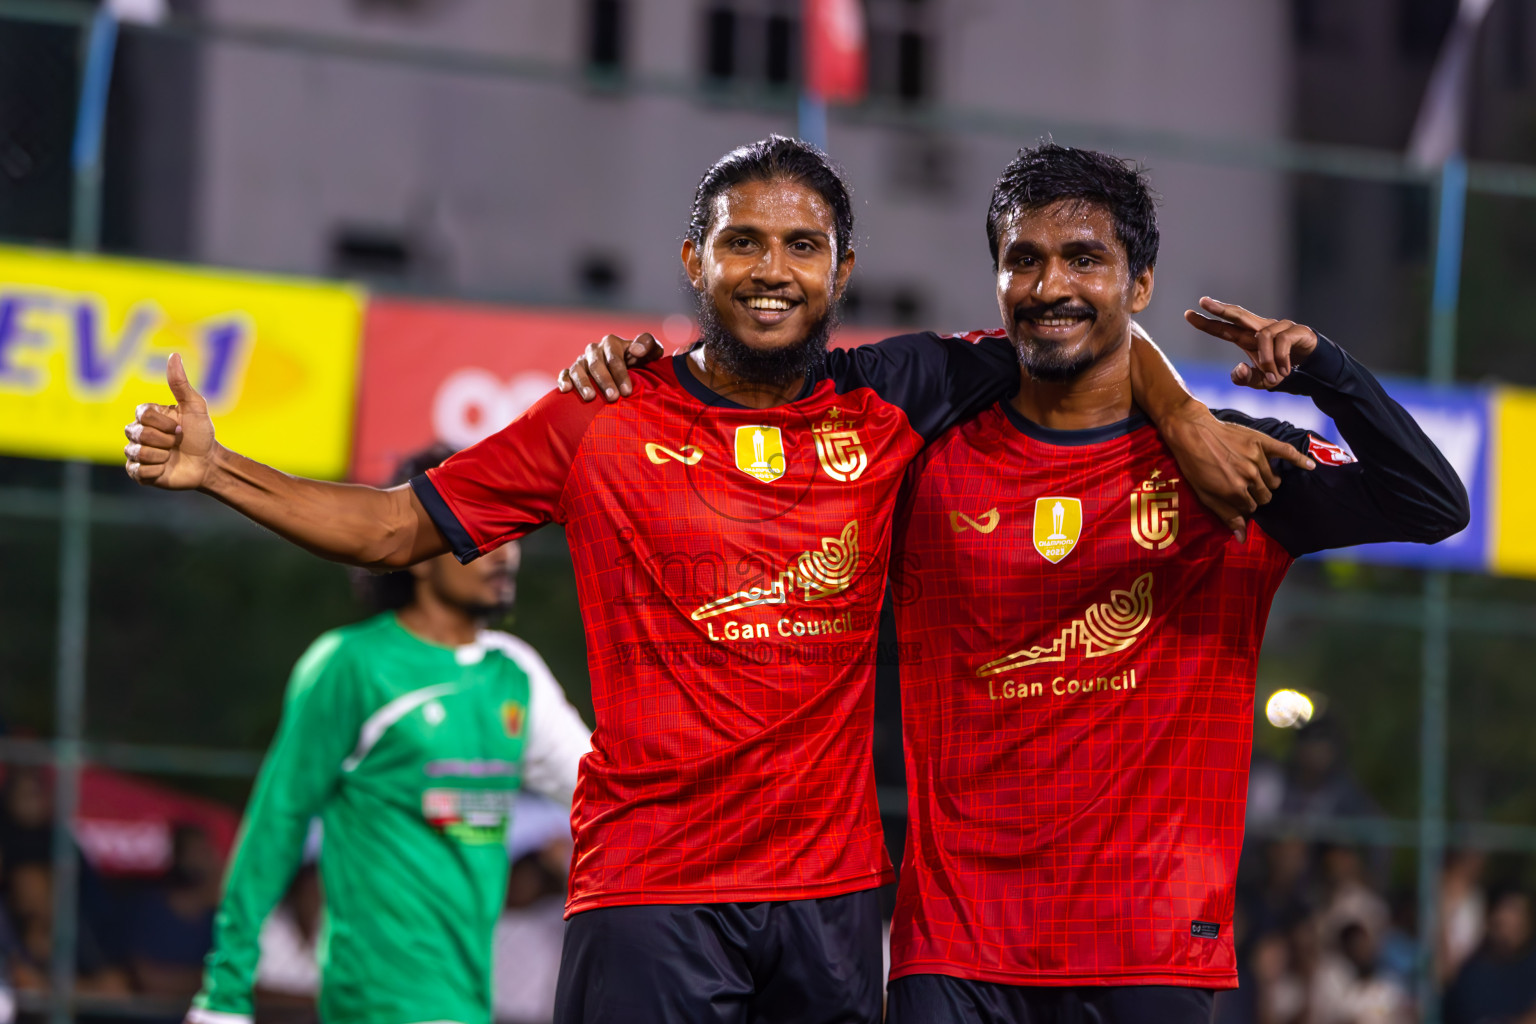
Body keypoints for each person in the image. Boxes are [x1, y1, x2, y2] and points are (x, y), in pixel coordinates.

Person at [127, 137, 1298, 1024]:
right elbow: (392, 529)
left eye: (801, 246)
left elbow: (1077, 320)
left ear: (844, 270)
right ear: (697, 262)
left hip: (832, 902)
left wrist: (1187, 417)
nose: (771, 269)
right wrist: (220, 467)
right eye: (744, 242)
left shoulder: (898, 391)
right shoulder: (600, 416)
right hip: (650, 892)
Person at [878, 144, 1466, 1021]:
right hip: (956, 945)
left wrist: (1327, 372)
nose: (1050, 286)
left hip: (1150, 948)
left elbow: (1431, 503)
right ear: (997, 279)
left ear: (1140, 284)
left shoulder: (1234, 465)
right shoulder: (925, 450)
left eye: (1084, 259)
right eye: (1023, 260)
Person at [184, 446, 590, 1024]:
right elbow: (278, 820)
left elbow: (609, 796)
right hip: (374, 1002)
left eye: (513, 528)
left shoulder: (515, 674)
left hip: (468, 1004)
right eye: (484, 527)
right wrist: (224, 993)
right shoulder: (352, 665)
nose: (507, 552)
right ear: (419, 545)